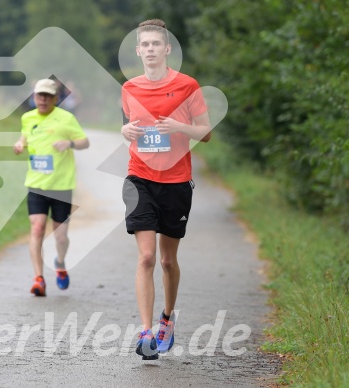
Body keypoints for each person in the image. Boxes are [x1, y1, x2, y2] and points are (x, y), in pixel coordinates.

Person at [120, 19, 212, 359]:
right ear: (138, 50)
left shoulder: (188, 85)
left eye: (156, 44)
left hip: (175, 181)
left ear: (167, 49)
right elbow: (128, 126)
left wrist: (179, 126)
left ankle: (167, 320)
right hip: (139, 177)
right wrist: (125, 132)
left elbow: (206, 133)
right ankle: (146, 333)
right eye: (145, 45)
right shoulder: (129, 87)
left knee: (167, 260)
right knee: (145, 257)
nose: (150, 50)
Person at [13, 79, 90, 296]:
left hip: (61, 186)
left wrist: (70, 143)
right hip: (36, 185)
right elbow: (25, 138)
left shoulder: (66, 118)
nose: (43, 100)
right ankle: (38, 278)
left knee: (61, 237)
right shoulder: (27, 118)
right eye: (40, 95)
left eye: (48, 96)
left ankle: (60, 262)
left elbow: (85, 142)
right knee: (37, 228)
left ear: (55, 98)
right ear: (34, 97)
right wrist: (20, 144)